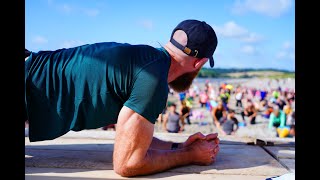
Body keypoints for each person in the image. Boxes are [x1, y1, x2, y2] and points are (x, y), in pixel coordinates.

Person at [25, 19, 220, 177]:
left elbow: (134, 137)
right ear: (199, 63)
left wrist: (178, 146)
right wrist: (189, 155)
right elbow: (128, 165)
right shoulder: (153, 80)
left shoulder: (145, 60)